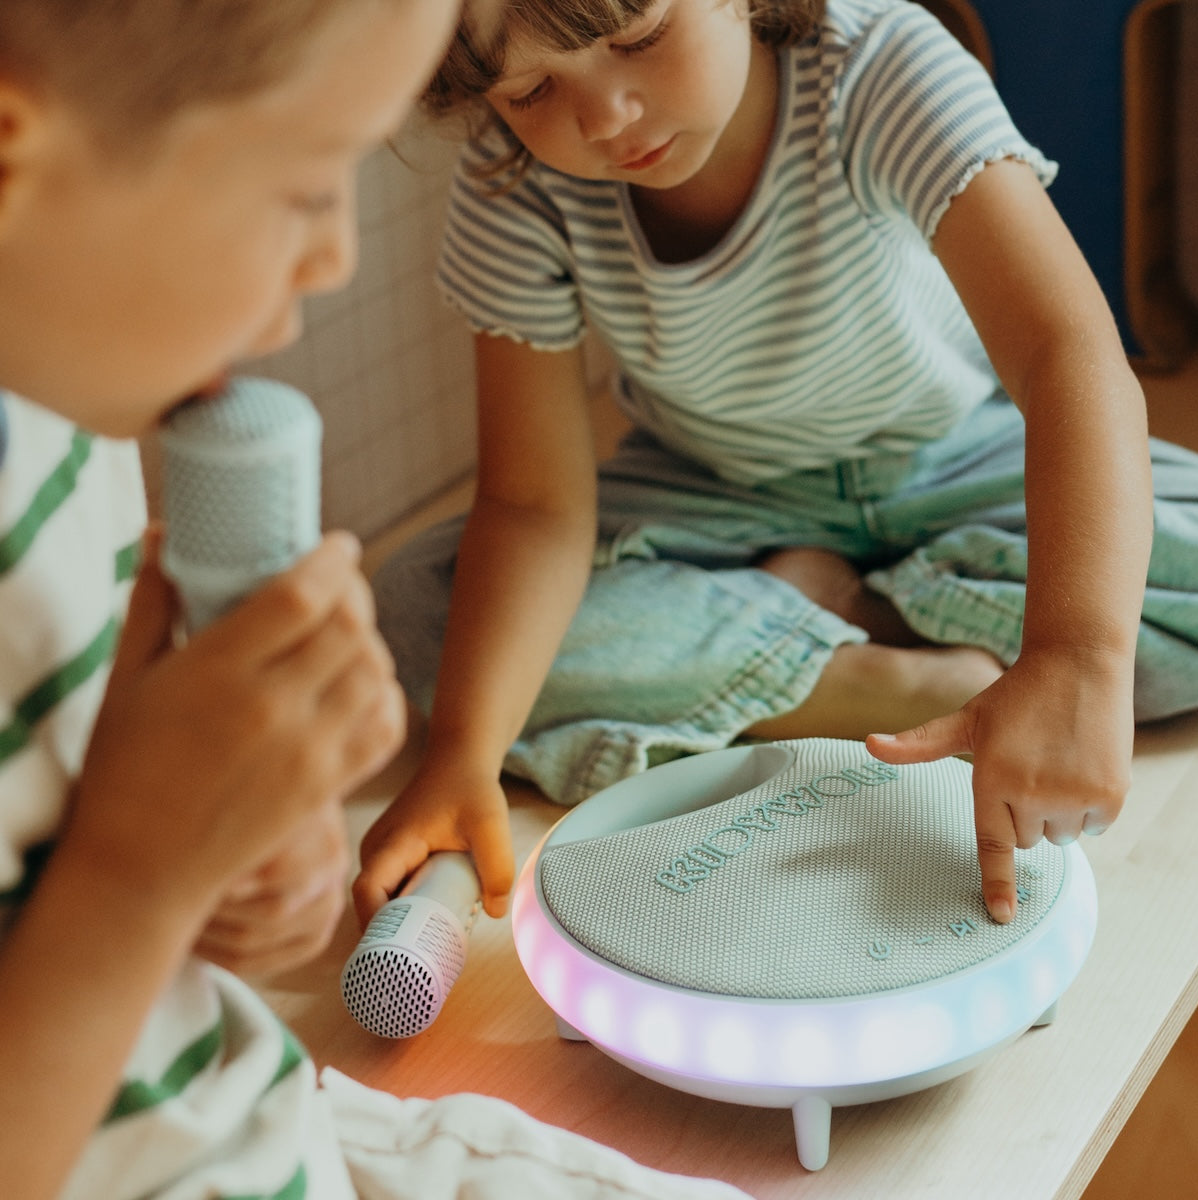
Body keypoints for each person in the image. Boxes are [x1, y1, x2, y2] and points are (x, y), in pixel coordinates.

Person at [0, 2, 755, 1197]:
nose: (339, 255)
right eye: (305, 186)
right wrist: (138, 879)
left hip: (248, 1123)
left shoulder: (53, 407)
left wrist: (225, 862)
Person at [359, 0, 1198, 933]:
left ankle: (848, 608)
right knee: (421, 605)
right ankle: (913, 676)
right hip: (718, 490)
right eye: (529, 91)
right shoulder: (511, 183)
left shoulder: (880, 66)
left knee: (1122, 571)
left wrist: (1078, 654)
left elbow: (1068, 357)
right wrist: (464, 759)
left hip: (960, 456)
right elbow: (531, 506)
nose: (603, 118)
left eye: (639, 40)